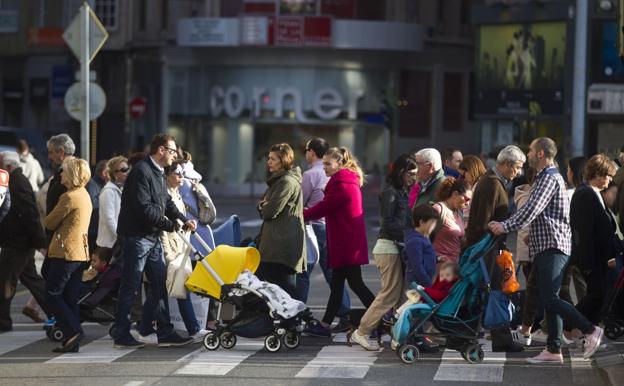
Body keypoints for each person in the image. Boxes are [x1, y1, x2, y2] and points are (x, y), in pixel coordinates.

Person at [489, 138, 604, 363]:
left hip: (553, 245)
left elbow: (532, 210)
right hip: (546, 246)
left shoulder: (549, 178)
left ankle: (590, 331)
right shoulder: (545, 177)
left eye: (531, 150)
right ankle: (553, 349)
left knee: (550, 298)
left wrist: (504, 225)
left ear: (540, 154)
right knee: (547, 297)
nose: (528, 154)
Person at [113, 134, 196, 349]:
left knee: (159, 283)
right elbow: (143, 208)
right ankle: (121, 333)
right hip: (137, 237)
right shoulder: (141, 172)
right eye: (172, 151)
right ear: (161, 150)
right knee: (130, 286)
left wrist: (183, 219)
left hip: (151, 237)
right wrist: (170, 225)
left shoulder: (158, 172)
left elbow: (165, 200)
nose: (175, 155)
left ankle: (165, 330)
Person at [132, 161, 209, 344]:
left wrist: (187, 223)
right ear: (167, 176)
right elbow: (164, 228)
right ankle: (190, 329)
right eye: (178, 174)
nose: (181, 177)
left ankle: (148, 327)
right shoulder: (164, 194)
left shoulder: (175, 194)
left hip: (178, 248)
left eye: (182, 173)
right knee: (163, 290)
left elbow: (178, 219)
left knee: (165, 290)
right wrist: (168, 256)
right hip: (169, 249)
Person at [303, 147, 375, 337]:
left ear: (340, 164)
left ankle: (383, 315)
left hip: (346, 243)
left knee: (355, 284)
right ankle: (325, 324)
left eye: (328, 164)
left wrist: (300, 214)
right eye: (324, 163)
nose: (324, 167)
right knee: (337, 284)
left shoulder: (341, 184)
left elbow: (324, 207)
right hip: (347, 241)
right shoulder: (346, 180)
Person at [351, 154, 417, 350]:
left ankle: (397, 336)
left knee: (399, 296)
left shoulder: (402, 192)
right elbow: (388, 223)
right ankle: (362, 332)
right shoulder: (390, 192)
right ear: (401, 172)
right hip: (388, 247)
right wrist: (410, 234)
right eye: (411, 174)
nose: (414, 178)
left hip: (396, 247)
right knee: (389, 294)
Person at [466, 145, 526, 353]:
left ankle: (498, 337)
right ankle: (499, 338)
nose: (518, 172)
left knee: (495, 291)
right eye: (517, 167)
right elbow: (480, 222)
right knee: (495, 292)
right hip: (486, 246)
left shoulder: (495, 182)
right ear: (507, 164)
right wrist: (484, 246)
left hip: (489, 245)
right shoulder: (492, 184)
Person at [296, 137, 351, 331]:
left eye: (306, 151)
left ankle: (297, 313)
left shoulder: (311, 174)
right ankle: (345, 314)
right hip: (331, 227)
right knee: (332, 273)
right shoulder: (337, 173)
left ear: (311, 152)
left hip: (313, 226)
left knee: (303, 272)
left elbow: (300, 202)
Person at [43, 157, 92, 353]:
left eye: (64, 171)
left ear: (71, 174)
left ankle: (73, 331)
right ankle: (72, 341)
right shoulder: (84, 194)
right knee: (69, 297)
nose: (61, 174)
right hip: (80, 253)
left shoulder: (69, 197)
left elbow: (49, 222)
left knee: (52, 294)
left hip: (65, 252)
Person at [0, 152, 51, 331]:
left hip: (17, 244)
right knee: (32, 280)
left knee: (5, 281)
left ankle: (3, 322)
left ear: (8, 166)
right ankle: (57, 312)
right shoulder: (13, 181)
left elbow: (30, 215)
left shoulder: (17, 183)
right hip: (20, 242)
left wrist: (39, 242)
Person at [570, 154, 618, 326]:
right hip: (591, 261)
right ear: (597, 174)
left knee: (600, 296)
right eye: (608, 175)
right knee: (597, 295)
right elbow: (584, 232)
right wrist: (588, 264)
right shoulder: (586, 194)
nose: (610, 179)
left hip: (600, 259)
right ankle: (571, 324)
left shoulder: (593, 193)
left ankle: (588, 331)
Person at [256, 143, 306, 298]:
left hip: (281, 247)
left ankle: (296, 318)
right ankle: (288, 319)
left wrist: (262, 205)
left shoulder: (286, 182)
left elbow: (270, 211)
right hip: (277, 246)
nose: (268, 162)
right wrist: (264, 205)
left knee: (285, 291)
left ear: (283, 160)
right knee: (276, 289)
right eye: (268, 158)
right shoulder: (280, 180)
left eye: (273, 159)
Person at [431, 178, 471, 264]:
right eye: (466, 199)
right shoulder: (438, 209)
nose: (467, 203)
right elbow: (423, 236)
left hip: (453, 266)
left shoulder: (459, 212)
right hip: (437, 266)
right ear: (455, 194)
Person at [96, 156, 129, 250]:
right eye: (123, 170)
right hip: (109, 244)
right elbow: (109, 218)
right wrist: (121, 237)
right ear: (114, 174)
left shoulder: (122, 189)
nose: (127, 172)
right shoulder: (108, 191)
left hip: (117, 242)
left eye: (128, 169)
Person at [86, 160, 108, 252]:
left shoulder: (103, 185)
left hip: (100, 231)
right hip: (93, 231)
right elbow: (92, 204)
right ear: (104, 173)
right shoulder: (91, 184)